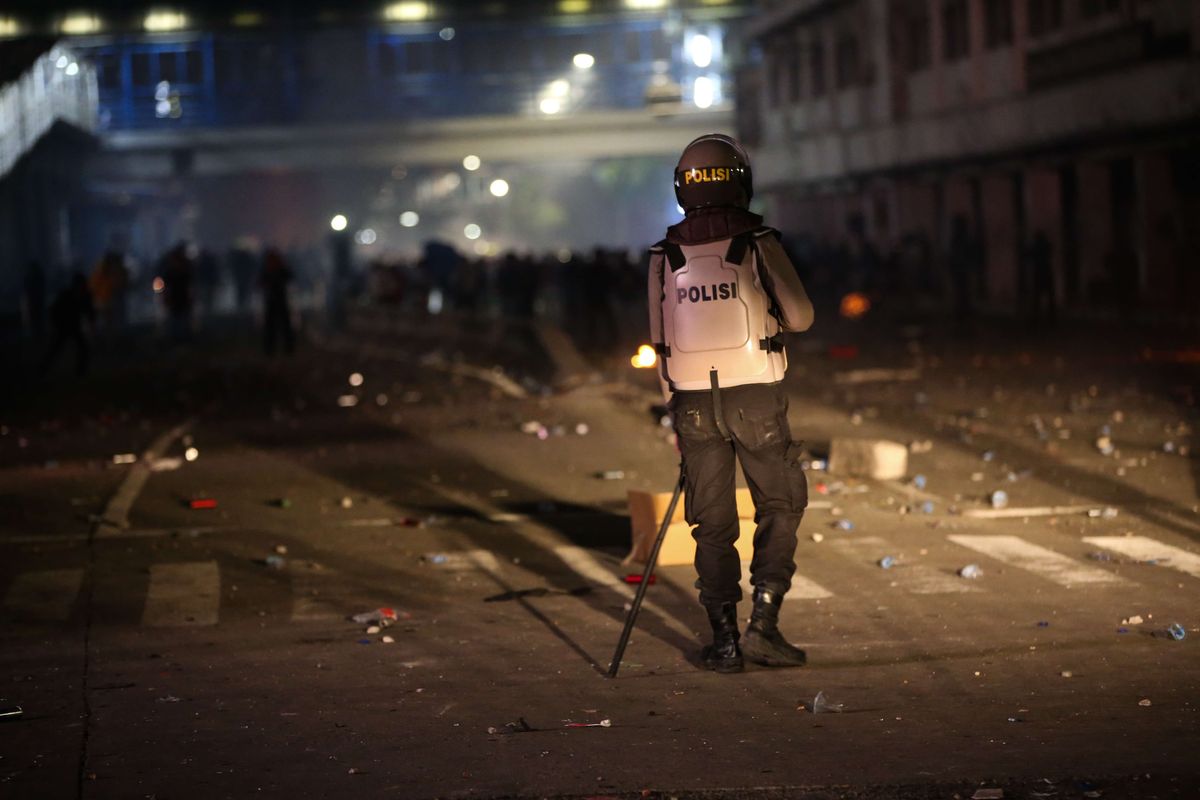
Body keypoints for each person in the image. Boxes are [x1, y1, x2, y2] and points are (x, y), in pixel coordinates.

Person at [647, 134, 815, 674]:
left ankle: (723, 643)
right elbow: (802, 316)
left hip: (692, 404)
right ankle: (763, 626)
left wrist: (673, 408)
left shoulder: (663, 255)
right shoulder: (758, 240)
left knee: (712, 525)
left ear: (683, 188)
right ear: (740, 180)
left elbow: (660, 345)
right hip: (756, 398)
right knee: (780, 506)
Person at [260, 247, 295, 355]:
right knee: (272, 327)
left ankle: (286, 349)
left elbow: (289, 277)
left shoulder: (279, 269)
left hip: (279, 301)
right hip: (273, 302)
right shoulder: (268, 270)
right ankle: (271, 350)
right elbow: (261, 282)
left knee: (283, 327)